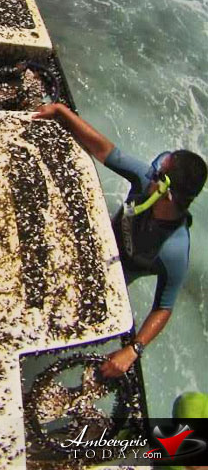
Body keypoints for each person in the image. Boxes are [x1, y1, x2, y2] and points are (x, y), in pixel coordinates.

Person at [33, 102, 206, 379]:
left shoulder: (173, 250)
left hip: (104, 282)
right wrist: (62, 113)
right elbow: (106, 151)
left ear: (166, 193)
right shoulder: (144, 180)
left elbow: (163, 307)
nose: (152, 171)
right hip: (88, 249)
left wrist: (134, 349)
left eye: (159, 173)